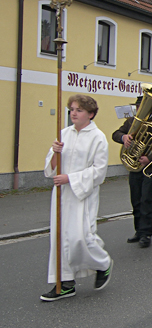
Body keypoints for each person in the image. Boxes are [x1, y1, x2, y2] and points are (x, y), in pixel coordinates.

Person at [41, 94, 112, 302]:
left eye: (79, 110)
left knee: (81, 237)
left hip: (83, 194)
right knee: (60, 237)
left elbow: (99, 172)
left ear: (90, 114)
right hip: (62, 195)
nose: (73, 113)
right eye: (71, 109)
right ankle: (65, 283)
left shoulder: (98, 137)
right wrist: (55, 153)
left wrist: (70, 178)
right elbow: (49, 168)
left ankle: (103, 263)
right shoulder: (64, 133)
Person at [112, 95, 152, 248]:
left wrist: (149, 159)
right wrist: (124, 137)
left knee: (147, 200)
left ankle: (146, 233)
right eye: (138, 107)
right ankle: (138, 230)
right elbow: (115, 134)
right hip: (135, 167)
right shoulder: (131, 122)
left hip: (151, 168)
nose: (140, 110)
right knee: (136, 199)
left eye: (144, 107)